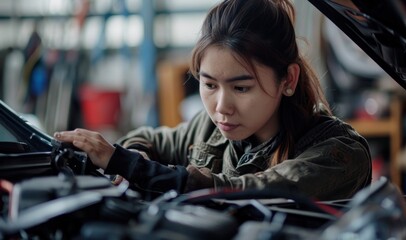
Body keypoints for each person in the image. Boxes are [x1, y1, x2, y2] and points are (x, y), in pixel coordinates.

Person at [54, 0, 372, 200]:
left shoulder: (339, 153)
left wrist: (127, 164)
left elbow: (252, 191)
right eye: (209, 85)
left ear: (287, 80)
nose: (221, 107)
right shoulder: (209, 131)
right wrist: (134, 157)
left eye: (241, 88)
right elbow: (148, 138)